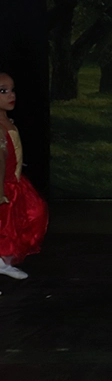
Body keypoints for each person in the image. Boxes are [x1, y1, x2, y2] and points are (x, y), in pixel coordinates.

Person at [0, 71, 48, 280]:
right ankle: (2, 261)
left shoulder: (7, 121)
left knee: (33, 214)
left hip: (16, 180)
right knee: (7, 225)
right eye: (3, 91)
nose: (11, 95)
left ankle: (4, 261)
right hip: (6, 183)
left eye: (12, 90)